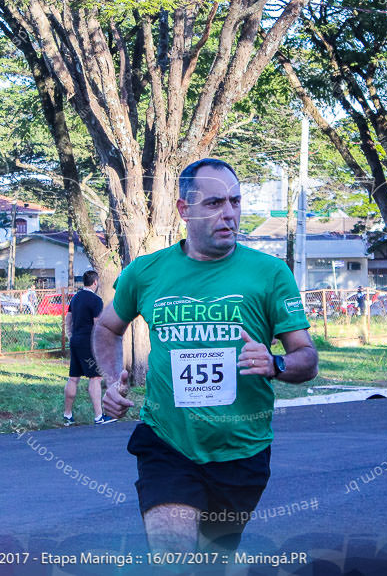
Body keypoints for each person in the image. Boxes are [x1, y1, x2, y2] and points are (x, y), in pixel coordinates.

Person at [93, 157, 318, 553]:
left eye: (235, 201)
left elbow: (306, 357)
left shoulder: (269, 273)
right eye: (214, 204)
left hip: (242, 450)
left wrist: (275, 363)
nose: (229, 214)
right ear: (184, 210)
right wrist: (113, 381)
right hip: (167, 444)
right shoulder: (146, 272)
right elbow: (107, 327)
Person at [63, 270, 113, 425]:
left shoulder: (75, 298)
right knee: (95, 377)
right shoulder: (96, 300)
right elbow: (97, 324)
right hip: (88, 342)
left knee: (73, 378)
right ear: (95, 282)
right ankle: (99, 416)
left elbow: (68, 319)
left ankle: (67, 415)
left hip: (76, 341)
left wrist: (71, 335)